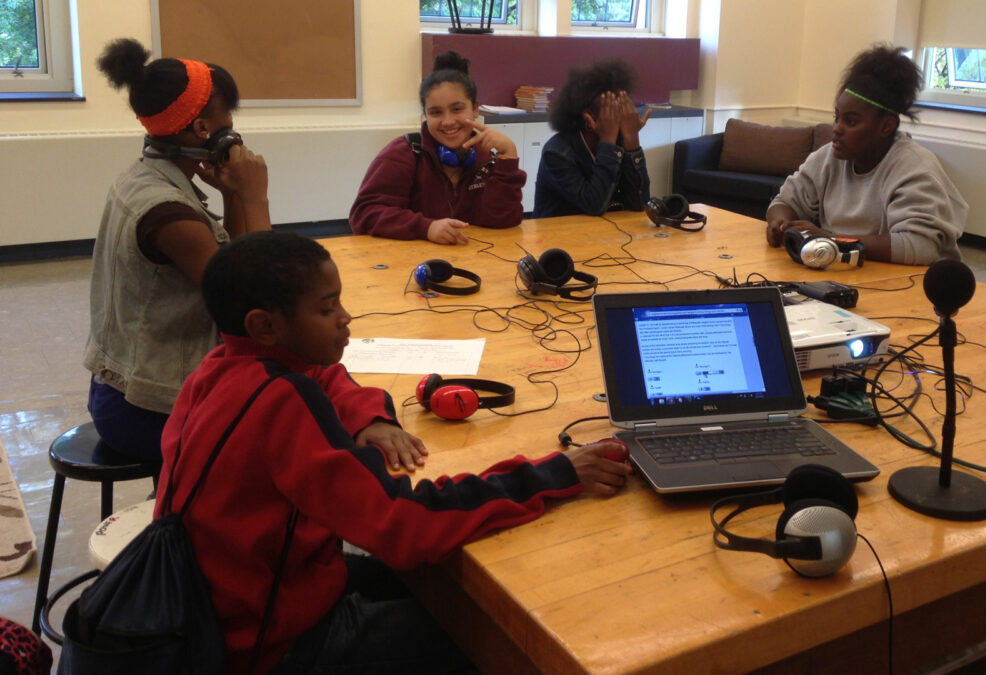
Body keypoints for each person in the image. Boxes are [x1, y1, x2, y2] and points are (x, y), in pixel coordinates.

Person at [159, 230, 632, 673]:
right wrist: (551, 474)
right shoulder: (283, 402)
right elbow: (402, 525)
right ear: (264, 326)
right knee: (486, 638)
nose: (345, 318)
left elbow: (322, 376)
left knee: (430, 589)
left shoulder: (219, 368)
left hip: (222, 599)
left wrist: (371, 417)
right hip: (264, 644)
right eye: (327, 310)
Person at [84, 38, 270, 464]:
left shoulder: (146, 176)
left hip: (123, 390)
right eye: (228, 113)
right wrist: (257, 198)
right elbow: (256, 298)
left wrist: (233, 196)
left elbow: (232, 265)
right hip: (146, 409)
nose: (232, 122)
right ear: (205, 129)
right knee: (287, 426)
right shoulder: (172, 216)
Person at [765, 44, 967, 265]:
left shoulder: (914, 167)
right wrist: (780, 223)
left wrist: (832, 240)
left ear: (886, 126)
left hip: (910, 283)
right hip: (851, 273)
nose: (837, 129)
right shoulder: (828, 157)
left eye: (850, 121)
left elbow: (920, 246)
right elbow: (784, 201)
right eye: (837, 118)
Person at [350, 51, 525, 244]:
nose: (448, 121)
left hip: (473, 258)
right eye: (436, 112)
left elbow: (503, 220)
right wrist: (426, 227)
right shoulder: (403, 153)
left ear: (475, 108)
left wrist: (508, 160)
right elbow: (364, 214)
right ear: (425, 114)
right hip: (411, 265)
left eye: (457, 109)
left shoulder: (488, 158)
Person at [533, 59, 652, 218]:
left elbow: (639, 203)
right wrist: (608, 141)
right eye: (613, 115)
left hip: (605, 235)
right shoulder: (556, 153)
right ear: (589, 121)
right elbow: (594, 204)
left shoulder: (620, 144)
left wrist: (632, 140)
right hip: (557, 238)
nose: (622, 120)